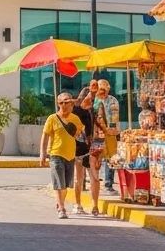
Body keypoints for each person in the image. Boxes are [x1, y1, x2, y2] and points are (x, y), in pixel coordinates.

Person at [40, 92, 84, 219]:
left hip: (70, 155)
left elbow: (79, 134)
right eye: (61, 102)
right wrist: (42, 154)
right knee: (59, 183)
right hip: (56, 154)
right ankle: (62, 208)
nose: (63, 105)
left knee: (66, 186)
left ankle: (59, 203)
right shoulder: (52, 118)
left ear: (71, 104)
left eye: (66, 102)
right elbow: (45, 136)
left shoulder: (75, 119)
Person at [71, 84, 100, 216]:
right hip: (82, 147)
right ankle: (80, 205)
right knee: (82, 178)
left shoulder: (92, 110)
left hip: (89, 147)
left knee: (91, 178)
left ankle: (92, 205)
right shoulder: (78, 111)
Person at [94, 79, 121, 194]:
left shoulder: (112, 100)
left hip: (109, 133)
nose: (103, 91)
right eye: (101, 89)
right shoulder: (93, 100)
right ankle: (93, 181)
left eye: (105, 89)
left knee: (111, 158)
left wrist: (112, 130)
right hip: (96, 133)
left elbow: (115, 117)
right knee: (95, 157)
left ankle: (108, 184)